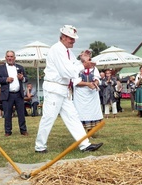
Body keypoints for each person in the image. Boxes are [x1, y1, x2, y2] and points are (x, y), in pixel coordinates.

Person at [34, 25, 103, 153]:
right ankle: (40, 146)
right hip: (54, 89)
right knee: (48, 118)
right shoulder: (57, 50)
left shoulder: (67, 51)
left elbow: (73, 66)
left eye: (74, 38)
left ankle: (85, 144)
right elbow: (66, 72)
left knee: (73, 117)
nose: (73, 41)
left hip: (63, 89)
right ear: (64, 37)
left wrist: (82, 60)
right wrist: (83, 65)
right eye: (71, 38)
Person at [0, 50, 28, 136]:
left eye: (11, 56)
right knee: (7, 114)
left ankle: (23, 130)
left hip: (18, 94)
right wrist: (6, 80)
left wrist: (22, 78)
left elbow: (26, 79)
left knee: (21, 113)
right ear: (5, 58)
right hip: (7, 94)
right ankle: (8, 131)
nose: (10, 58)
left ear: (14, 58)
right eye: (8, 56)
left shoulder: (20, 67)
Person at [73, 49, 103, 133]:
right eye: (84, 55)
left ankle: (92, 130)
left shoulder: (93, 67)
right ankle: (81, 131)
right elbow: (75, 81)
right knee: (81, 112)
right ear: (80, 56)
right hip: (80, 94)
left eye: (88, 55)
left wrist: (95, 83)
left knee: (93, 111)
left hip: (92, 94)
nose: (86, 56)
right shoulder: (76, 66)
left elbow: (97, 78)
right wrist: (87, 84)